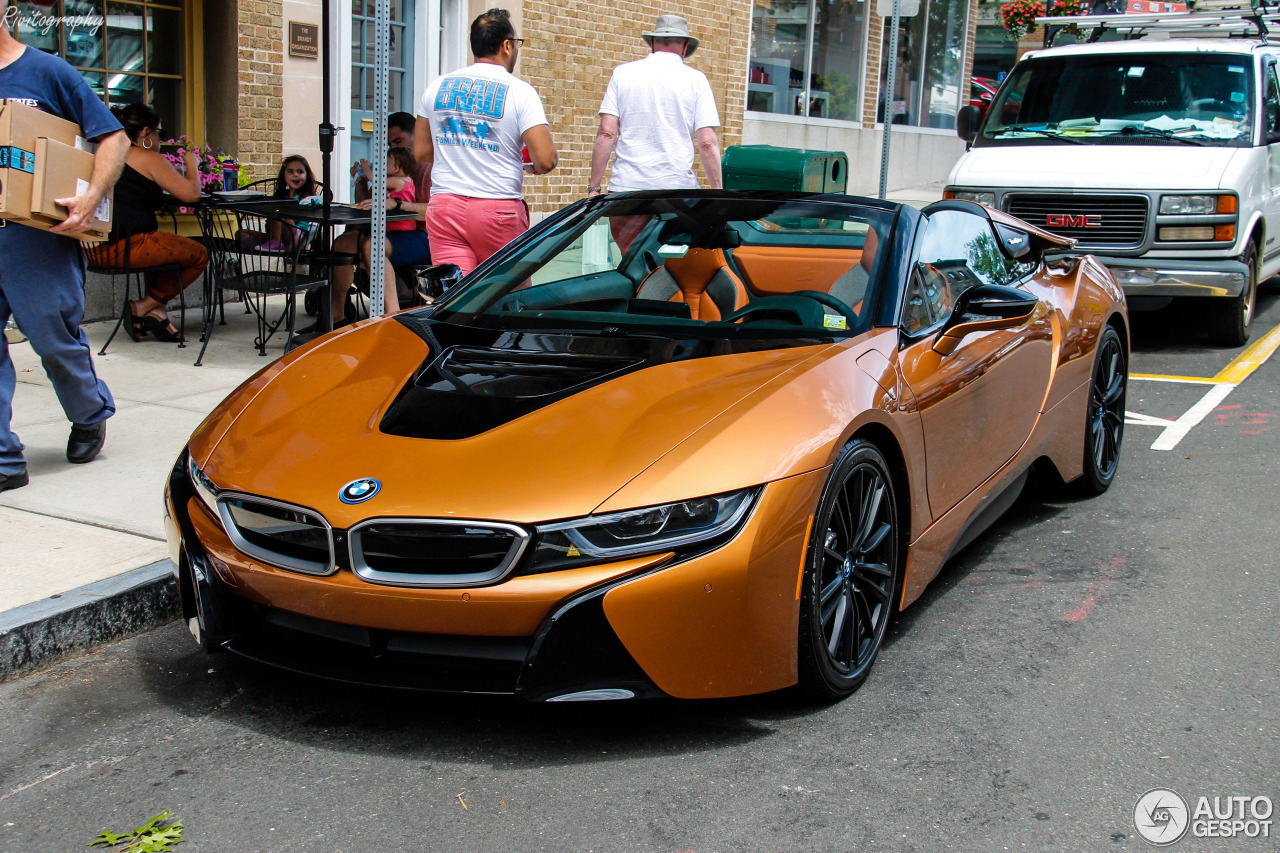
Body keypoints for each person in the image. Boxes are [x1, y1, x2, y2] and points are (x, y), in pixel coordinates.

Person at [0, 0, 130, 491]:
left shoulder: (47, 72)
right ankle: (5, 460)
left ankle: (89, 410)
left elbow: (112, 137)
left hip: (36, 239)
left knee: (54, 341)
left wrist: (90, 197)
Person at [414, 8, 557, 276]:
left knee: (455, 297)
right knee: (501, 296)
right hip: (497, 207)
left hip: (446, 205)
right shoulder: (520, 92)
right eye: (516, 43)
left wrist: (460, 151)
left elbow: (421, 151)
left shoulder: (437, 86)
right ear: (506, 45)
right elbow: (546, 159)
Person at [588, 14, 722, 254]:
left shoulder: (622, 74)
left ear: (652, 43)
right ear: (684, 47)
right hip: (676, 191)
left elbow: (607, 133)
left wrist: (594, 188)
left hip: (628, 191)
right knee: (673, 265)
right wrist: (718, 193)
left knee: (632, 265)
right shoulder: (696, 80)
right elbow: (708, 143)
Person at [89, 103, 208, 343]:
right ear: (145, 132)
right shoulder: (147, 157)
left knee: (166, 248)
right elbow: (191, 195)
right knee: (199, 254)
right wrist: (192, 166)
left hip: (93, 248)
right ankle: (144, 306)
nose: (160, 141)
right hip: (125, 246)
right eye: (159, 134)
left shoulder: (102, 152)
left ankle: (158, 312)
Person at [327, 112, 433, 322]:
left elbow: (436, 211)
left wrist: (398, 204)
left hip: (424, 236)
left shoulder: (430, 170)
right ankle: (336, 317)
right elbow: (367, 202)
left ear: (416, 136)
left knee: (371, 246)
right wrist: (359, 180)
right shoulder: (392, 170)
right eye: (389, 144)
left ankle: (391, 317)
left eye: (398, 141)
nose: (393, 148)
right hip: (390, 232)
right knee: (342, 244)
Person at [239, 154, 318, 251]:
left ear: (307, 176)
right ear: (284, 175)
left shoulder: (306, 197)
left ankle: (275, 243)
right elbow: (269, 226)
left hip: (296, 238)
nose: (295, 175)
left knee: (279, 210)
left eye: (300, 172)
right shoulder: (281, 196)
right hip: (278, 236)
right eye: (290, 171)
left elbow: (297, 218)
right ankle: (261, 246)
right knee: (240, 233)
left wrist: (277, 213)